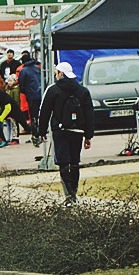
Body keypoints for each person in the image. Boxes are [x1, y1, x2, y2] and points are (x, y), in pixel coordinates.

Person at [38, 62, 95, 205]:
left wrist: (41, 131)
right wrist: (88, 135)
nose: (56, 75)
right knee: (75, 162)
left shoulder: (53, 90)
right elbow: (89, 114)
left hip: (60, 131)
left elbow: (44, 112)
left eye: (56, 72)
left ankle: (68, 195)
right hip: (77, 131)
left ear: (61, 74)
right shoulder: (83, 91)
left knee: (63, 162)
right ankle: (74, 192)